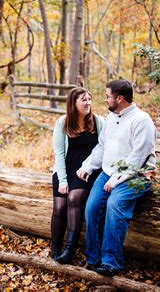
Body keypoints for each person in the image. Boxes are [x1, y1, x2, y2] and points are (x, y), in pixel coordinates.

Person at [77, 79, 156, 276]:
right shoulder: (111, 118)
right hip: (108, 173)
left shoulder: (142, 121)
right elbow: (102, 146)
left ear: (119, 98)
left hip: (136, 176)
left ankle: (111, 262)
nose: (105, 100)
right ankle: (93, 259)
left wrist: (117, 179)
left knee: (114, 204)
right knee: (92, 206)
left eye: (107, 96)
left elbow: (138, 158)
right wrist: (87, 166)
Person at [51, 87, 105, 264]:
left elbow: (105, 147)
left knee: (73, 198)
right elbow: (59, 153)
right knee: (59, 207)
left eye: (90, 99)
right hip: (65, 168)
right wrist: (63, 180)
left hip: (88, 170)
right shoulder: (63, 123)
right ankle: (55, 248)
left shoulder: (98, 122)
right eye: (83, 100)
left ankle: (69, 250)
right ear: (73, 103)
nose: (88, 103)